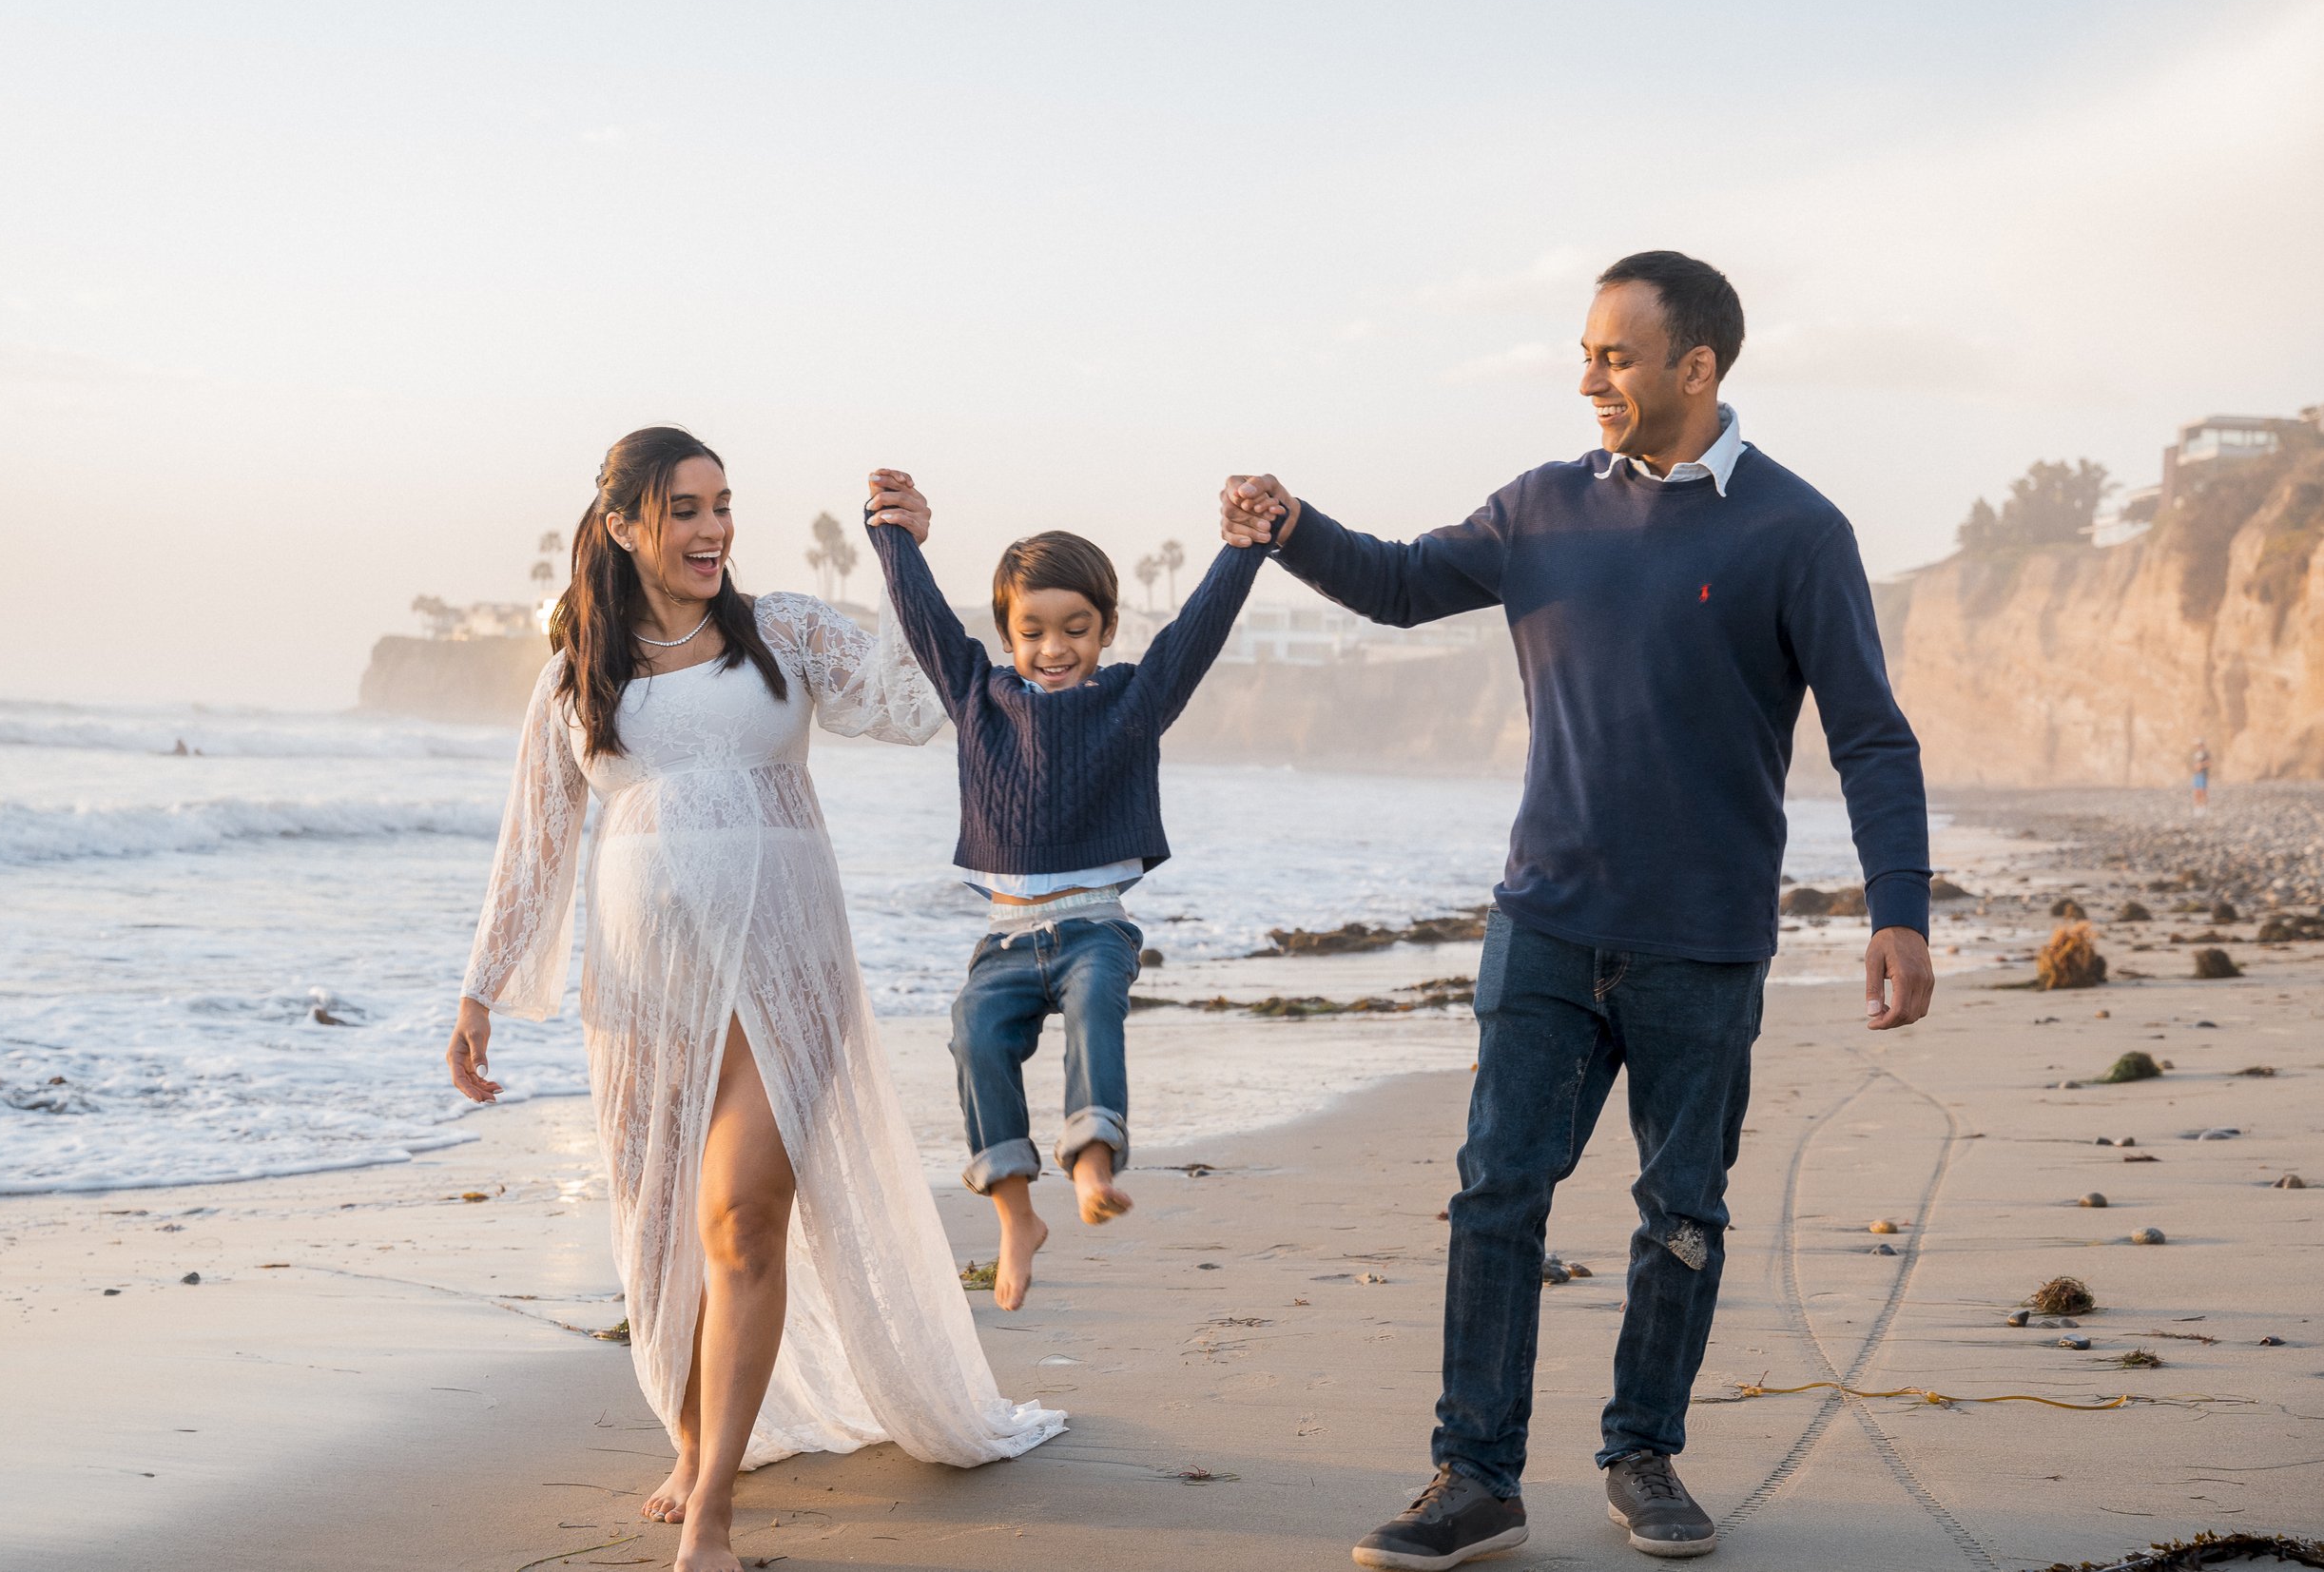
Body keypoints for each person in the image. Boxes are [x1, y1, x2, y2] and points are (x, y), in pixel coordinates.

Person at [1221, 251, 1936, 1568]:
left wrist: (1900, 905)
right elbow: (1394, 581)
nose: (1592, 373)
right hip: (1544, 917)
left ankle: (1642, 1454)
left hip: (1704, 941)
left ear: (1697, 366)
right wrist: (1291, 523)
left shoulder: (1796, 529)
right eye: (1588, 350)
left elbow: (1872, 738)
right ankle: (1474, 1475)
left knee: (1681, 1207)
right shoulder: (1542, 507)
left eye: (1617, 352)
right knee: (1498, 1188)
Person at [446, 428, 1061, 1572]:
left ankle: (715, 1507)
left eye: (723, 505)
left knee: (741, 1214)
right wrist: (482, 988)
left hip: (784, 967)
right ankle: (695, 1438)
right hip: (642, 986)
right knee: (661, 1227)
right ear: (626, 522)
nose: (713, 528)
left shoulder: (782, 631)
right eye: (685, 508)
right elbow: (534, 837)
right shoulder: (577, 668)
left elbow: (929, 694)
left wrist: (908, 557)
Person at [863, 469, 1268, 1310]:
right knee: (973, 1030)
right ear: (1007, 634)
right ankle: (1016, 1214)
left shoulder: (1132, 699)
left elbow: (1197, 631)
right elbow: (925, 618)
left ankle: (1092, 1164)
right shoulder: (977, 695)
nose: (1054, 648)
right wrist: (892, 532)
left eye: (1076, 629)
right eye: (1033, 631)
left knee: (1095, 1012)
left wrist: (1241, 550)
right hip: (1005, 940)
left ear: (1107, 628)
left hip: (1094, 929)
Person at [2192, 738, 2211, 814]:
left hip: (2203, 774)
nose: (2199, 746)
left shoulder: (2206, 754)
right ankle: (2197, 807)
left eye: (2200, 745)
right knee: (2197, 792)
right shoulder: (2195, 754)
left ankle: (2204, 807)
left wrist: (2201, 765)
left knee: (2203, 791)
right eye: (2198, 745)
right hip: (2197, 774)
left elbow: (2209, 763)